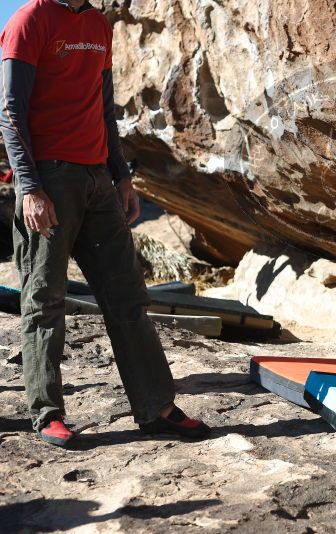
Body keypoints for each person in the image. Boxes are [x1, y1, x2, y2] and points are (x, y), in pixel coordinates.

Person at [0, 0, 210, 447]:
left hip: (98, 180)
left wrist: (122, 176)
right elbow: (10, 110)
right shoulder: (29, 21)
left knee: (128, 296)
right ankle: (47, 413)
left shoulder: (98, 24)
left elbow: (103, 107)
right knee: (44, 298)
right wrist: (29, 187)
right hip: (50, 179)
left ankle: (157, 408)